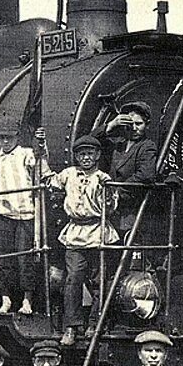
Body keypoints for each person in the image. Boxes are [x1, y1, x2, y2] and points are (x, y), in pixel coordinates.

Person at [49, 135, 119, 347]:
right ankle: (71, 326)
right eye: (81, 154)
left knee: (100, 281)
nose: (85, 158)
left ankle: (95, 323)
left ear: (97, 155)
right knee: (73, 278)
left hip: (98, 231)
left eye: (89, 154)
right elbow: (49, 180)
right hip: (75, 232)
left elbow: (111, 206)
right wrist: (42, 151)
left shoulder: (103, 178)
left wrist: (108, 190)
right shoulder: (68, 174)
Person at [0, 120, 50, 315]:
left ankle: (27, 300)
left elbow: (41, 168)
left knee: (25, 258)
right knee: (4, 257)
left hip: (25, 212)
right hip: (3, 212)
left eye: (9, 138)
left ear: (16, 137)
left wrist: (40, 146)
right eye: (2, 138)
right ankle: (6, 299)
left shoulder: (26, 154)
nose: (5, 142)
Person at [104, 100, 159, 233]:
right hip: (113, 212)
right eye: (130, 124)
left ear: (147, 125)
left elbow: (146, 175)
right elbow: (90, 142)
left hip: (131, 212)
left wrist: (117, 192)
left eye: (139, 124)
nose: (134, 128)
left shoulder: (147, 146)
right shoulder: (119, 144)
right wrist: (111, 125)